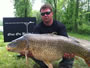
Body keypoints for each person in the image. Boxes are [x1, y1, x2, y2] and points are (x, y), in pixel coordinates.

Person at [33, 3, 74, 68]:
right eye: (43, 14)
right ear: (41, 15)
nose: (45, 15)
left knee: (71, 50)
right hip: (43, 51)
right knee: (33, 53)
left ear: (52, 13)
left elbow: (66, 42)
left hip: (59, 50)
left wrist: (67, 53)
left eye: (47, 13)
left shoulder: (60, 26)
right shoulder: (37, 28)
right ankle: (45, 65)